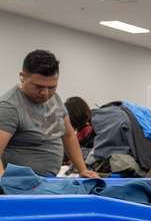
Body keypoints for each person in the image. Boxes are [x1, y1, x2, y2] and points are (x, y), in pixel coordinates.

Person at [0, 50, 98, 178]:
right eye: (38, 86)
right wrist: (4, 185)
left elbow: (68, 135)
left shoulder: (54, 98)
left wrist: (82, 170)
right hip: (20, 185)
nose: (45, 93)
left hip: (49, 180)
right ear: (22, 76)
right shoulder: (9, 106)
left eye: (52, 87)